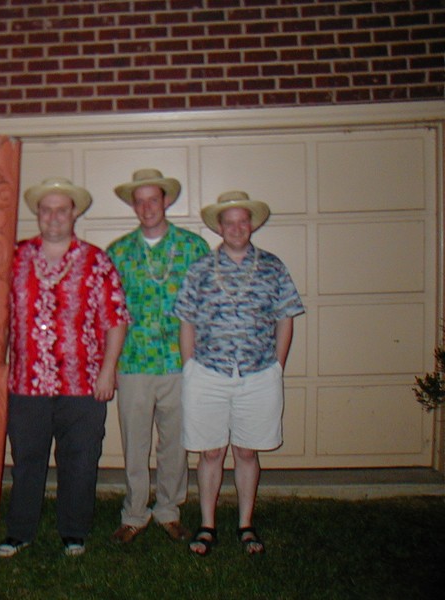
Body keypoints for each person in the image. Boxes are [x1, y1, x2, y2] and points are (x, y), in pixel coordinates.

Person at [0, 177, 130, 558]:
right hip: (26, 381)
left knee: (80, 459)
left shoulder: (96, 260)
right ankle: (20, 531)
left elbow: (116, 318)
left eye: (61, 209)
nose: (53, 216)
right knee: (27, 461)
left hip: (82, 382)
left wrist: (107, 371)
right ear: (37, 215)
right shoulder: (15, 257)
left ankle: (74, 531)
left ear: (74, 213)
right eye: (46, 209)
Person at [172, 190, 304, 557]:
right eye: (228, 222)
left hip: (258, 373)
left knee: (246, 452)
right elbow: (186, 321)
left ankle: (246, 524)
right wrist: (190, 367)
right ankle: (207, 524)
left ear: (252, 224)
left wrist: (277, 365)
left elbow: (285, 318)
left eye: (242, 221)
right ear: (219, 227)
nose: (236, 228)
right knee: (211, 452)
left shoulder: (273, 266)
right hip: (208, 374)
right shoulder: (199, 270)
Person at [106, 169, 209, 545]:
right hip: (133, 362)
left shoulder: (193, 248)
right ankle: (134, 513)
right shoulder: (117, 252)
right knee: (135, 443)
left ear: (165, 201)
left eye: (154, 199)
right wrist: (108, 363)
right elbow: (108, 313)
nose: (147, 207)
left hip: (180, 363)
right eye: (140, 200)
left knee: (175, 442)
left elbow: (206, 306)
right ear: (133, 205)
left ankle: (168, 509)